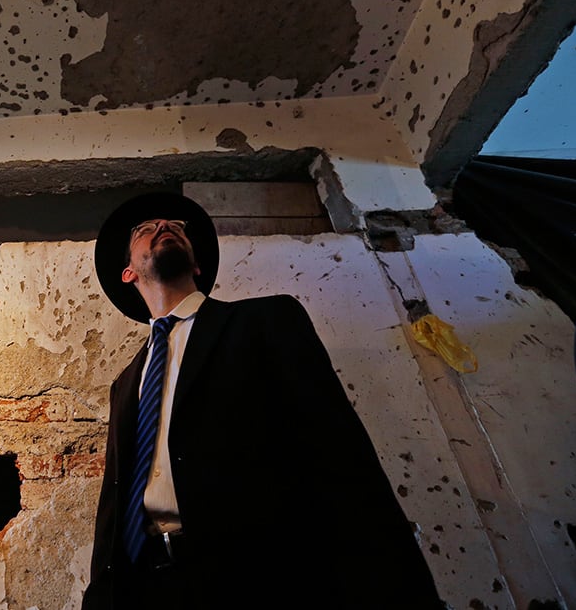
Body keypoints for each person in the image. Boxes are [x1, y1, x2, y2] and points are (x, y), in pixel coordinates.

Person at [82, 191, 446, 609]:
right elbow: (114, 501)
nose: (165, 227)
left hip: (259, 577)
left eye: (177, 227)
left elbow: (340, 454)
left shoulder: (266, 321)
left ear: (197, 264)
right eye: (147, 229)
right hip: (148, 586)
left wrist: (395, 583)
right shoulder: (126, 383)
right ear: (128, 273)